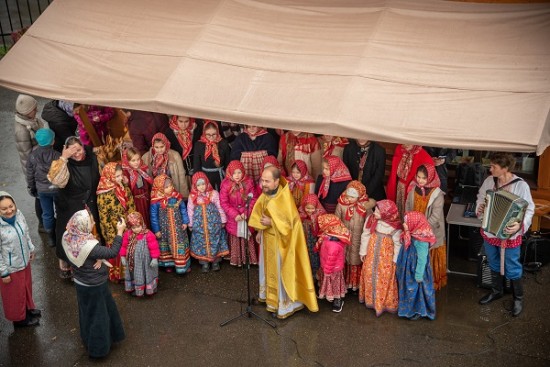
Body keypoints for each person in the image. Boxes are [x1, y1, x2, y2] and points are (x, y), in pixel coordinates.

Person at [248, 166, 319, 319]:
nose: (263, 184)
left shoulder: (284, 198)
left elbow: (291, 225)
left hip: (282, 244)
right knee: (268, 271)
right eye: (262, 180)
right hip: (268, 240)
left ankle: (284, 306)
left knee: (280, 274)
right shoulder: (266, 194)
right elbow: (260, 213)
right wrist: (260, 231)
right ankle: (271, 301)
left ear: (276, 181)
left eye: (267, 181)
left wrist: (271, 222)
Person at [476, 153, 534, 317]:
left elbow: (529, 208)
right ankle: (497, 291)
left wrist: (519, 225)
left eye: (494, 166)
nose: (490, 168)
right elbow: (481, 197)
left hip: (510, 235)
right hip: (490, 231)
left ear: (505, 168)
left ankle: (518, 298)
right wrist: (480, 208)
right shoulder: (489, 181)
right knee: (493, 261)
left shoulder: (521, 185)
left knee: (512, 265)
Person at [62, 209, 125, 358]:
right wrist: (119, 232)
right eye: (91, 221)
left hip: (80, 282)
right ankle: (98, 350)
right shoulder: (89, 246)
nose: (94, 223)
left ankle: (88, 338)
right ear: (83, 225)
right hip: (95, 285)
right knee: (99, 316)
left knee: (87, 313)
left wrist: (97, 257)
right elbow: (112, 252)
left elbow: (82, 256)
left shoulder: (68, 236)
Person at [48, 136, 101, 279]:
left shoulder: (93, 157)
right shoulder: (63, 163)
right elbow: (56, 180)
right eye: (72, 152)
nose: (76, 154)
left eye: (78, 149)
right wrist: (64, 158)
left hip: (90, 203)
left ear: (83, 146)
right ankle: (66, 263)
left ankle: (88, 262)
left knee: (90, 235)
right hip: (69, 207)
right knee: (69, 237)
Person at [0, 192, 40, 327]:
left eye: (11, 206)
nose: (9, 210)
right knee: (14, 295)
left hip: (24, 262)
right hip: (10, 268)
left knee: (26, 287)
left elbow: (26, 232)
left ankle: (28, 310)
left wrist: (30, 249)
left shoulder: (19, 214)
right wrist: (3, 272)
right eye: (3, 209)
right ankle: (19, 320)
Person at [405, 163, 447, 290]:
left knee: (426, 255)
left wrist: (421, 229)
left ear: (430, 178)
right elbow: (407, 207)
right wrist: (408, 223)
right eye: (418, 177)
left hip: (431, 231)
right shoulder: (413, 189)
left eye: (423, 178)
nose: (420, 180)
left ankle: (428, 284)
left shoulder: (437, 194)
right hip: (414, 231)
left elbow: (435, 216)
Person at [359, 200, 402, 316]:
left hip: (386, 259)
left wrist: (395, 260)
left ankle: (381, 303)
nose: (374, 212)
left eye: (378, 211)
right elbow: (366, 234)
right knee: (369, 273)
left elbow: (398, 244)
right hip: (371, 254)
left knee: (383, 277)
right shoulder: (371, 219)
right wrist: (363, 252)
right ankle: (370, 299)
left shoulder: (395, 226)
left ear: (386, 213)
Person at [96, 162, 136, 283]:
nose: (119, 178)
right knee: (117, 250)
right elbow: (104, 216)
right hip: (114, 229)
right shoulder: (103, 193)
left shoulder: (123, 186)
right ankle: (118, 276)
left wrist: (133, 218)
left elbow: (130, 203)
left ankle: (130, 273)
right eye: (116, 176)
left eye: (120, 175)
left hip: (127, 225)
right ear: (109, 176)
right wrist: (110, 235)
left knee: (128, 248)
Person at [14, 94, 48, 232]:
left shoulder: (31, 121)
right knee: (40, 197)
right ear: (27, 111)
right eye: (34, 108)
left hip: (41, 164)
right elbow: (27, 156)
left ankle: (45, 221)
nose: (37, 110)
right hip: (36, 170)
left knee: (42, 196)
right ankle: (42, 224)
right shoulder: (22, 131)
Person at [335, 181, 376, 292]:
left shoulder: (365, 206)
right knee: (344, 257)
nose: (350, 198)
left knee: (356, 258)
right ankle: (344, 281)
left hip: (358, 237)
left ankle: (355, 284)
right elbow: (337, 219)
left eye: (353, 196)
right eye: (349, 195)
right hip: (345, 237)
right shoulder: (341, 204)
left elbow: (369, 222)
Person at [396, 211, 437, 321]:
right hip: (409, 268)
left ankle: (418, 310)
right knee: (408, 288)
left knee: (416, 290)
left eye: (406, 222)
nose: (403, 224)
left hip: (417, 271)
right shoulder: (413, 233)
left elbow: (422, 259)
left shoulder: (422, 239)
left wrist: (419, 275)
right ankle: (408, 309)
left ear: (415, 224)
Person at [26, 128, 61, 247]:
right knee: (60, 211)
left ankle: (51, 237)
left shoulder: (33, 156)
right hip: (56, 189)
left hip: (42, 190)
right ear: (52, 142)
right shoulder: (57, 155)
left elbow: (30, 174)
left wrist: (32, 187)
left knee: (47, 214)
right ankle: (61, 234)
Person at [187, 172, 228, 272]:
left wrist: (223, 220)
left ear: (207, 183)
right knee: (201, 242)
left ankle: (215, 261)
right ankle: (204, 263)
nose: (201, 187)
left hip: (214, 224)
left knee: (215, 240)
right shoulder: (192, 196)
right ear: (195, 185)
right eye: (198, 185)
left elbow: (219, 207)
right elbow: (190, 211)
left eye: (203, 184)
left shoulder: (213, 194)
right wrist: (191, 224)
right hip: (199, 226)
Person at [219, 161, 258, 267]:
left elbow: (253, 199)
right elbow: (224, 202)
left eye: (239, 172)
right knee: (236, 237)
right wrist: (234, 214)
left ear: (243, 172)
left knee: (247, 236)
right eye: (234, 173)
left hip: (246, 215)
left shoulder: (249, 182)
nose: (237, 175)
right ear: (230, 173)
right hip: (234, 217)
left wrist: (247, 213)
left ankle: (249, 258)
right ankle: (237, 259)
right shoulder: (226, 185)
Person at [150, 174, 191, 274]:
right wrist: (156, 230)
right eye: (167, 187)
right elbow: (153, 217)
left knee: (179, 245)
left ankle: (182, 265)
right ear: (159, 188)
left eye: (171, 185)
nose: (170, 188)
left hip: (178, 227)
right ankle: (169, 264)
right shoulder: (156, 201)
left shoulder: (177, 196)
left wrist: (185, 221)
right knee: (166, 246)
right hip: (164, 230)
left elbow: (183, 209)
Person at [316, 214, 351, 313]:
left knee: (334, 283)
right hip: (328, 265)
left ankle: (337, 299)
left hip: (331, 268)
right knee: (332, 283)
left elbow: (331, 259)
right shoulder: (331, 236)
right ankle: (330, 295)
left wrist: (327, 270)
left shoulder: (333, 243)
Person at [120, 212, 160, 297]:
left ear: (142, 223)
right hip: (133, 261)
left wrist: (154, 258)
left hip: (145, 262)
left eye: (138, 226)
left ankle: (148, 288)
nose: (136, 229)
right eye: (133, 227)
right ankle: (137, 289)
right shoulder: (128, 234)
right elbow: (123, 246)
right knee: (135, 274)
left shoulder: (148, 234)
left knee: (146, 273)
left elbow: (154, 247)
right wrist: (123, 256)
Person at [386, 144, 432, 217]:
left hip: (412, 189)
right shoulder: (399, 149)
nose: (405, 144)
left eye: (409, 142)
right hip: (399, 186)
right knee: (398, 211)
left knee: (408, 212)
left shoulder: (423, 155)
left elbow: (429, 175)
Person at [142, 132, 189, 198]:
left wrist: (184, 195)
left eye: (162, 147)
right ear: (153, 146)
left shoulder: (175, 156)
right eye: (156, 147)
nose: (159, 150)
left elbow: (181, 176)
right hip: (156, 192)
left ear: (166, 144)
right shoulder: (146, 158)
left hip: (172, 190)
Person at [193, 120, 231, 191]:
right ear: (204, 133)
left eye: (214, 134)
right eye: (208, 134)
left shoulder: (223, 143)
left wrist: (228, 178)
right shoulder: (199, 145)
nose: (211, 137)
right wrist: (197, 180)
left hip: (220, 177)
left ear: (218, 132)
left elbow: (227, 162)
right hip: (205, 177)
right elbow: (197, 165)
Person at [121, 147, 154, 228]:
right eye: (133, 160)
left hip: (147, 201)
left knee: (150, 220)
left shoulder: (143, 169)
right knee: (140, 222)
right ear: (127, 161)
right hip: (136, 204)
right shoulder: (125, 174)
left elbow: (149, 184)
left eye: (138, 159)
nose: (136, 163)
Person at [298, 194, 326, 279]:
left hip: (315, 241)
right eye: (307, 208)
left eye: (312, 208)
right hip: (304, 239)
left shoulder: (320, 214)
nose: (310, 211)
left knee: (314, 256)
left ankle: (314, 273)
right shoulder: (300, 213)